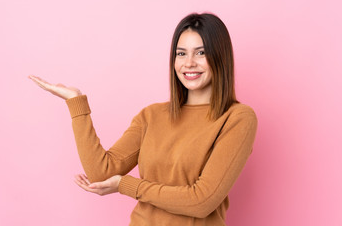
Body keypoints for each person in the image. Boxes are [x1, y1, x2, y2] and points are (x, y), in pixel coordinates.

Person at [29, 13, 257, 226]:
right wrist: (76, 103)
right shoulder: (152, 115)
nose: (189, 63)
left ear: (220, 56)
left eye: (201, 52)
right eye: (181, 53)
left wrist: (125, 185)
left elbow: (201, 201)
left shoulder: (237, 118)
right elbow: (102, 173)